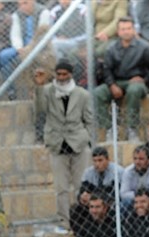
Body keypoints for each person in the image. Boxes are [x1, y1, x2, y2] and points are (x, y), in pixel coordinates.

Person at [40, 61, 93, 224]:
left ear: (70, 74)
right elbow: (40, 110)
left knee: (80, 185)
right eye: (59, 74)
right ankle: (64, 219)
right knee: (61, 187)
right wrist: (39, 87)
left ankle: (82, 220)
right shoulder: (47, 91)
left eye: (65, 74)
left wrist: (87, 139)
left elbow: (89, 119)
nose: (61, 77)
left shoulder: (82, 94)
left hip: (78, 144)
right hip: (57, 144)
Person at [92, 18, 149, 140]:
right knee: (97, 93)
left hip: (137, 83)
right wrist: (112, 85)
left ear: (134, 30)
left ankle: (132, 129)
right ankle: (109, 129)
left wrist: (145, 79)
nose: (126, 32)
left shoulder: (144, 47)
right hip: (117, 82)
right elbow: (106, 69)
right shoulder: (111, 48)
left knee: (134, 90)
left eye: (129, 28)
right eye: (123, 29)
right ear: (118, 32)